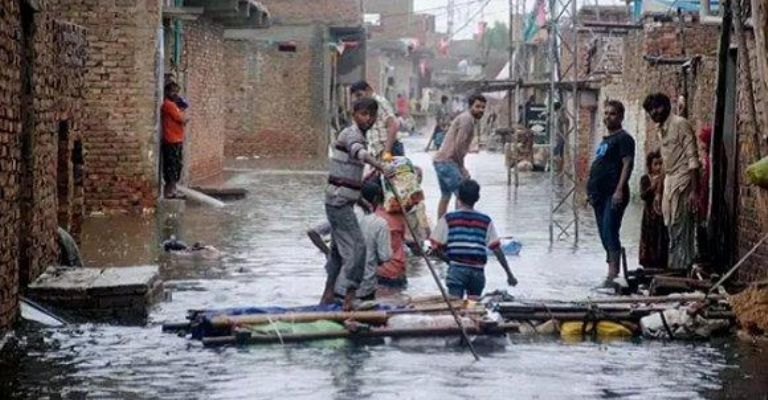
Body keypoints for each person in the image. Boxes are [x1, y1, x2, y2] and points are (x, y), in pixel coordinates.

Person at [321, 97, 390, 311]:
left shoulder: (360, 135)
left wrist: (359, 199)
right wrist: (380, 165)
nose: (367, 119)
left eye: (371, 115)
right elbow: (358, 152)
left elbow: (347, 174)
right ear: (354, 115)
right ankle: (350, 298)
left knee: (337, 252)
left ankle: (328, 295)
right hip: (339, 202)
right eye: (363, 114)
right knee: (358, 247)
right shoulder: (351, 134)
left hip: (340, 200)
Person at [430, 179, 517, 300]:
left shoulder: (449, 218)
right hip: (477, 271)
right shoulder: (485, 220)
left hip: (456, 270)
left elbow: (435, 247)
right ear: (477, 198)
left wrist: (449, 261)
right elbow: (497, 249)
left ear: (458, 197)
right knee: (474, 305)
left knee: (455, 303)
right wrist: (509, 274)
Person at [643, 93, 700, 272]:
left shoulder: (680, 124)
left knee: (682, 226)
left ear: (666, 105)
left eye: (657, 107)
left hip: (684, 180)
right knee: (670, 226)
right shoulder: (661, 129)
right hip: (669, 182)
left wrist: (694, 191)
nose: (654, 112)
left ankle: (682, 268)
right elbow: (666, 165)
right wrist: (659, 193)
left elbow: (693, 159)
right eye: (651, 110)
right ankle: (676, 267)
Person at [587, 100, 635, 285]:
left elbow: (627, 164)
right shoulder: (605, 140)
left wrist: (619, 190)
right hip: (598, 196)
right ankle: (611, 272)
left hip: (613, 194)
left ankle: (613, 274)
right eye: (606, 113)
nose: (608, 117)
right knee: (602, 233)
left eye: (612, 113)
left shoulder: (624, 139)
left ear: (621, 117)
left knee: (610, 230)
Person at [334, 182, 392, 302]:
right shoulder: (379, 223)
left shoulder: (345, 216)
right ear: (376, 199)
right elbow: (385, 256)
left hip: (339, 284)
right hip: (364, 287)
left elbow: (317, 234)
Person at [433, 93, 486, 220]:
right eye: (477, 106)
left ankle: (440, 228)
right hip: (448, 162)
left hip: (440, 161)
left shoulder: (465, 118)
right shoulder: (467, 120)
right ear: (470, 106)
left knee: (445, 196)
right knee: (463, 197)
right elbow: (458, 146)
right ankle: (459, 225)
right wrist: (461, 167)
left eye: (483, 107)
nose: (481, 110)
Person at [350, 81, 402, 160]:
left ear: (368, 90)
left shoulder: (379, 103)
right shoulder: (366, 106)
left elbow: (392, 126)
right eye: (357, 97)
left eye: (360, 95)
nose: (359, 99)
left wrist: (387, 151)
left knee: (395, 171)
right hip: (377, 152)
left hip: (389, 149)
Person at [639, 151, 669, 269]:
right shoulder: (645, 179)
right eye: (656, 164)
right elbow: (643, 195)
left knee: (661, 239)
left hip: (661, 215)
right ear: (650, 166)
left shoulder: (666, 179)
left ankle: (661, 264)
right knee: (648, 240)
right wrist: (653, 187)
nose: (658, 167)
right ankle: (648, 265)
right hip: (648, 216)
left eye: (661, 164)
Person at [161, 82, 189, 199]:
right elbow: (182, 119)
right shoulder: (169, 105)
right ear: (167, 92)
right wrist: (183, 116)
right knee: (172, 167)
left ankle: (173, 190)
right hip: (171, 139)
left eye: (176, 92)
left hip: (176, 139)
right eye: (173, 92)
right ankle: (170, 192)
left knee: (176, 166)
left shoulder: (173, 105)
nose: (175, 94)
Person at [695, 125, 712, 261]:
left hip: (707, 199)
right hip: (703, 199)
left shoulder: (710, 161)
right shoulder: (707, 160)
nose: (701, 146)